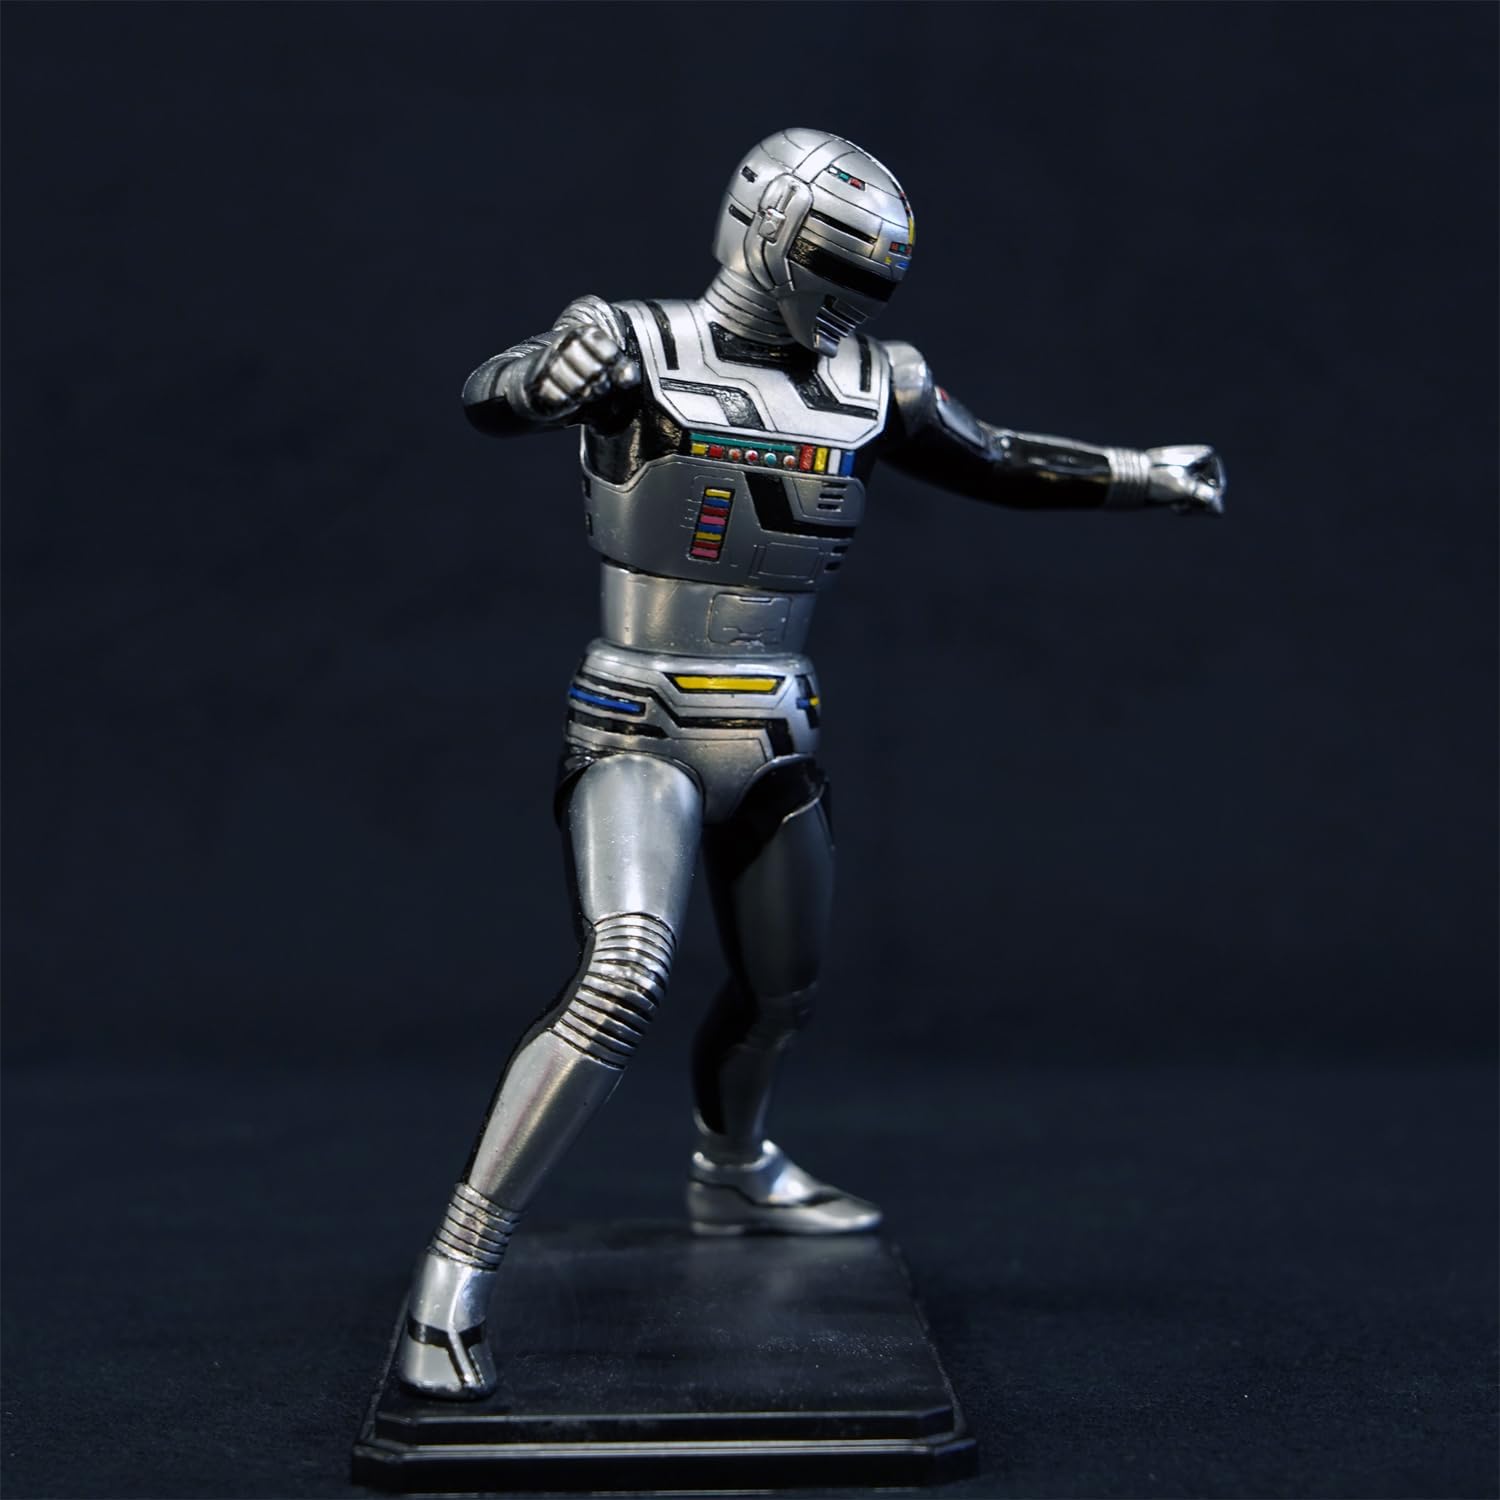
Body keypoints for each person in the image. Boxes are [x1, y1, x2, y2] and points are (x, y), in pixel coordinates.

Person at [399, 127, 1225, 1398]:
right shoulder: (636, 343)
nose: (854, 300)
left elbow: (997, 459)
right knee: (623, 973)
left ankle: (731, 1174)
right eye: (839, 268)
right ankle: (456, 1270)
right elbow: (492, 394)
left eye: (874, 279)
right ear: (770, 234)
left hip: (779, 729)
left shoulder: (877, 381)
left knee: (782, 989)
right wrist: (537, 377)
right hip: (640, 722)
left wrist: (1144, 474)